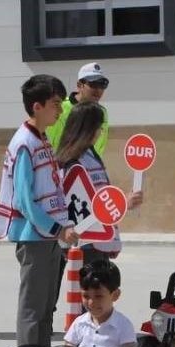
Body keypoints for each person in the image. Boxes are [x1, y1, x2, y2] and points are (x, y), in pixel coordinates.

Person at [0, 74, 79, 347]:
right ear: (37, 106)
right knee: (33, 308)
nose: (61, 109)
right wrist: (57, 229)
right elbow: (23, 201)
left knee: (45, 308)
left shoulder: (42, 139)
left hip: (49, 236)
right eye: (55, 103)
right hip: (34, 236)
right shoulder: (24, 144)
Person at [54, 101, 142, 264]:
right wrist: (123, 203)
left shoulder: (90, 155)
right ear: (87, 128)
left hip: (95, 242)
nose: (100, 132)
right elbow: (90, 206)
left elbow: (100, 196)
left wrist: (112, 238)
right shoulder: (73, 163)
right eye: (98, 127)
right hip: (85, 243)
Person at [63, 260, 135, 347]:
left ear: (115, 295)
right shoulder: (79, 323)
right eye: (86, 296)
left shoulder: (123, 325)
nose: (91, 303)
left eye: (98, 296)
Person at [46, 62, 110, 154]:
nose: (98, 90)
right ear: (79, 85)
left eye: (102, 85)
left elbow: (100, 147)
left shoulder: (103, 112)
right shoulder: (61, 107)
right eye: (93, 84)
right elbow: (49, 142)